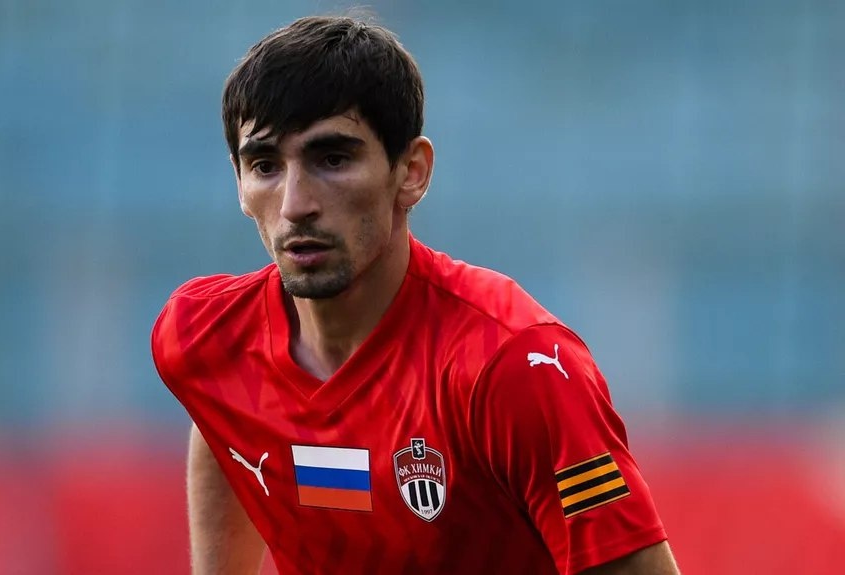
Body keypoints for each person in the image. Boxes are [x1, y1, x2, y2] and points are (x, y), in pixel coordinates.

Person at [152, 14, 679, 575]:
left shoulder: (513, 368)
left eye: (333, 159)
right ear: (239, 182)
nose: (295, 204)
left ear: (411, 172)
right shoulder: (204, 337)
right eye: (265, 166)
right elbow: (223, 420)